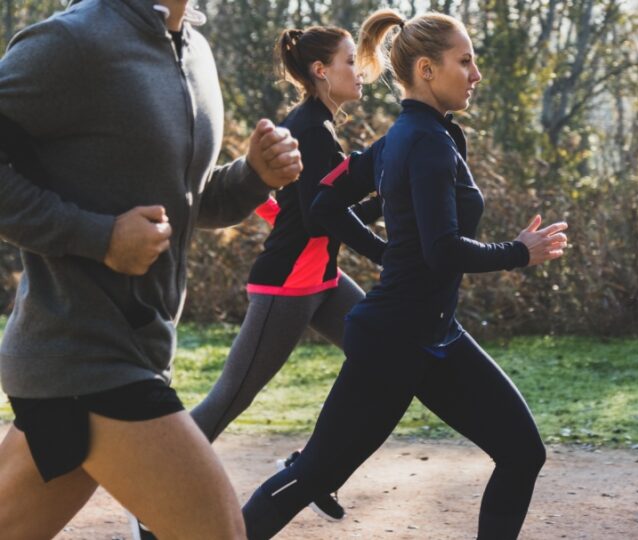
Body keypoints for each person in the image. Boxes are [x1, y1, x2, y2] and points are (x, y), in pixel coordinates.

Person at [241, 9, 569, 540]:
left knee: (521, 451)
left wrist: (388, 236)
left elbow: (327, 201)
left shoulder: (407, 138)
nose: (476, 74)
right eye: (465, 61)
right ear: (426, 69)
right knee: (312, 475)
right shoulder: (425, 142)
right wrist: (518, 252)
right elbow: (440, 251)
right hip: (393, 342)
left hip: (434, 336)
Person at [0, 0, 301, 537]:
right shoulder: (75, 41)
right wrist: (98, 237)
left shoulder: (194, 51)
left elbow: (184, 203)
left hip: (131, 350)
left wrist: (253, 177)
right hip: (85, 352)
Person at [190, 24, 385, 522]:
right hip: (288, 285)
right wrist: (386, 212)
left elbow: (289, 205)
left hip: (322, 278)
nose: (359, 71)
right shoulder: (311, 128)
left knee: (383, 357)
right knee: (228, 400)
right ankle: (149, 497)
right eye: (348, 61)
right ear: (321, 71)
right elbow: (325, 214)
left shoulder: (315, 125)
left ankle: (312, 469)